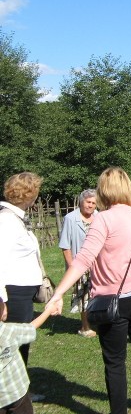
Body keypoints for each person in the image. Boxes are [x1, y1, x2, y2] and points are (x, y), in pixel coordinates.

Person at [47, 167, 131, 414]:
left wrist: (58, 293)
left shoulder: (103, 218)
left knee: (114, 361)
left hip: (114, 299)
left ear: (103, 190)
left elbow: (83, 259)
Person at [0, 172, 46, 403]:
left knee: (22, 343)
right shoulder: (7, 221)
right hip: (13, 293)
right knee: (15, 344)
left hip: (22, 292)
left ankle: (21, 391)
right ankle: (15, 395)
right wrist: (1, 299)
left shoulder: (16, 218)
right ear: (29, 194)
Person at [0, 297, 54, 414]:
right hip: (17, 391)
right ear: (3, 312)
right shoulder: (10, 331)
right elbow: (32, 327)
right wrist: (48, 311)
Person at [58, 189, 98, 338]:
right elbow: (65, 245)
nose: (91, 206)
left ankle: (97, 321)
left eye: (94, 203)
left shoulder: (98, 217)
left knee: (97, 293)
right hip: (80, 263)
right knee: (83, 295)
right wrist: (72, 266)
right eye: (88, 202)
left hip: (97, 263)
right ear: (81, 202)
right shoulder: (70, 218)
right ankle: (85, 326)